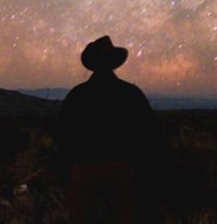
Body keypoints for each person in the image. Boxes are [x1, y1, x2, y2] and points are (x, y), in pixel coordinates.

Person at [58, 36, 159, 224]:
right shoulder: (130, 93)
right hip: (120, 169)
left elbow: (64, 135)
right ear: (113, 63)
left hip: (84, 170)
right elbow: (148, 132)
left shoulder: (77, 95)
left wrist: (68, 168)